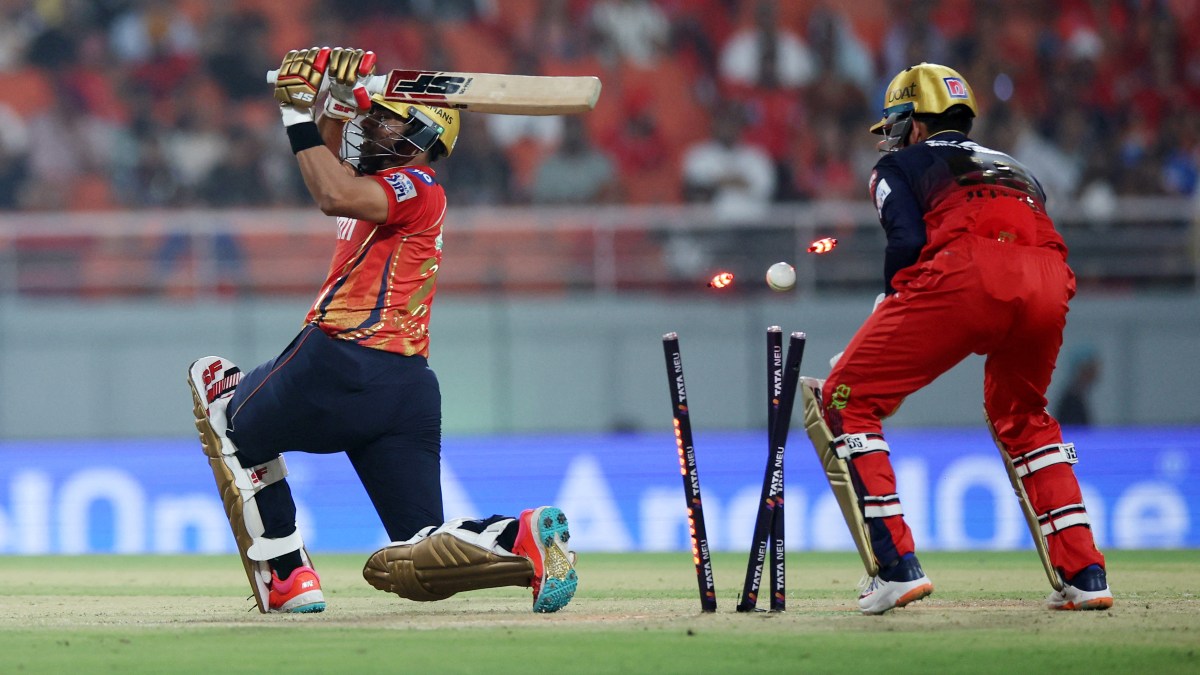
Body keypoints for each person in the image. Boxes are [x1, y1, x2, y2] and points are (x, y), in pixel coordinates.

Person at [186, 47, 577, 614]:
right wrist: (333, 104)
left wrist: (295, 112)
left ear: (420, 134)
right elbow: (326, 173)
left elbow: (332, 194)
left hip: (341, 361)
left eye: (384, 120)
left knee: (227, 412)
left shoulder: (415, 184)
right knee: (419, 552)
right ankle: (520, 537)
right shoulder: (379, 185)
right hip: (406, 389)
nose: (368, 127)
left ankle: (289, 576)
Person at [820, 63, 1111, 614]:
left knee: (846, 398)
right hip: (1050, 278)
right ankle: (1085, 574)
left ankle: (896, 570)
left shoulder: (895, 165)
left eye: (896, 124)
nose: (891, 137)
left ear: (916, 123)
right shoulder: (1017, 167)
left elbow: (907, 240)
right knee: (1022, 415)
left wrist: (887, 309)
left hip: (969, 272)